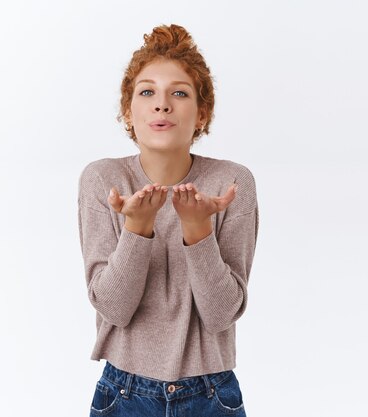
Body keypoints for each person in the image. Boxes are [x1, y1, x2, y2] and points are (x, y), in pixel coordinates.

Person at [78, 23, 258, 417]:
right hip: (123, 394)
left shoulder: (231, 182)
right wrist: (136, 229)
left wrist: (198, 231)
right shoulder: (103, 180)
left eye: (179, 92)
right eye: (147, 92)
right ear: (129, 110)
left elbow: (222, 314)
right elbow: (113, 309)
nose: (162, 104)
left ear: (201, 113)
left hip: (212, 394)